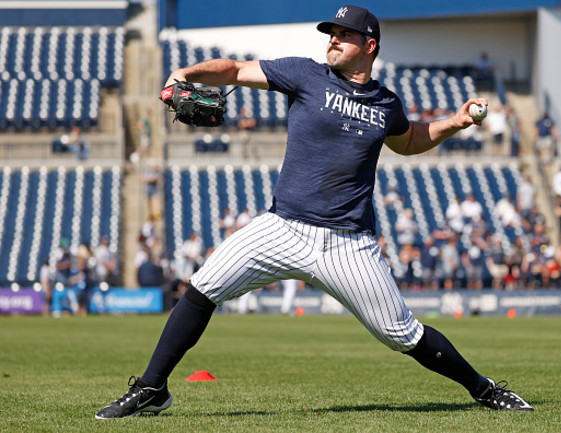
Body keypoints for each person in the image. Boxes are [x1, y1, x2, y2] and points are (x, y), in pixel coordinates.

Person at [95, 5, 532, 420]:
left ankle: (484, 388)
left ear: (370, 46)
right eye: (332, 34)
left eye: (345, 35)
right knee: (204, 286)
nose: (334, 40)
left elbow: (410, 140)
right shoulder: (305, 74)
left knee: (402, 334)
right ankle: (153, 388)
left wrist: (454, 123)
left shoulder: (385, 103)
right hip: (282, 226)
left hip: (347, 242)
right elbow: (232, 69)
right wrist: (184, 74)